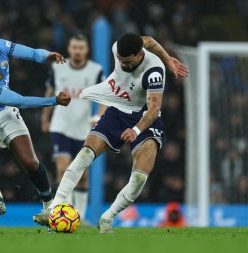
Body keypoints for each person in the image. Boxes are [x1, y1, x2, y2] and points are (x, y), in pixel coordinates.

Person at [33, 33, 189, 233]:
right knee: (85, 154)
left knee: (140, 177)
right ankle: (54, 209)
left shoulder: (154, 72)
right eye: (120, 61)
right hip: (117, 108)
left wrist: (135, 130)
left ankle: (107, 218)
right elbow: (149, 40)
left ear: (140, 55)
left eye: (127, 62)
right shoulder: (118, 48)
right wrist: (169, 59)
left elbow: (153, 109)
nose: (122, 65)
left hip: (145, 118)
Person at [0, 33, 71, 216]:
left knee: (30, 162)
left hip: (4, 108)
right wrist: (53, 101)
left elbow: (32, 53)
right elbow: (20, 101)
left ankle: (49, 206)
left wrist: (47, 55)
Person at [41, 34, 104, 222]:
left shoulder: (96, 70)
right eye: (74, 47)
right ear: (69, 49)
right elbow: (50, 91)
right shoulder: (57, 68)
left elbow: (105, 96)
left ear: (87, 50)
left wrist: (100, 115)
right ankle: (63, 215)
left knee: (83, 176)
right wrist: (46, 117)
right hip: (60, 125)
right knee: (63, 170)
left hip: (83, 129)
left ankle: (81, 217)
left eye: (81, 48)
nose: (77, 51)